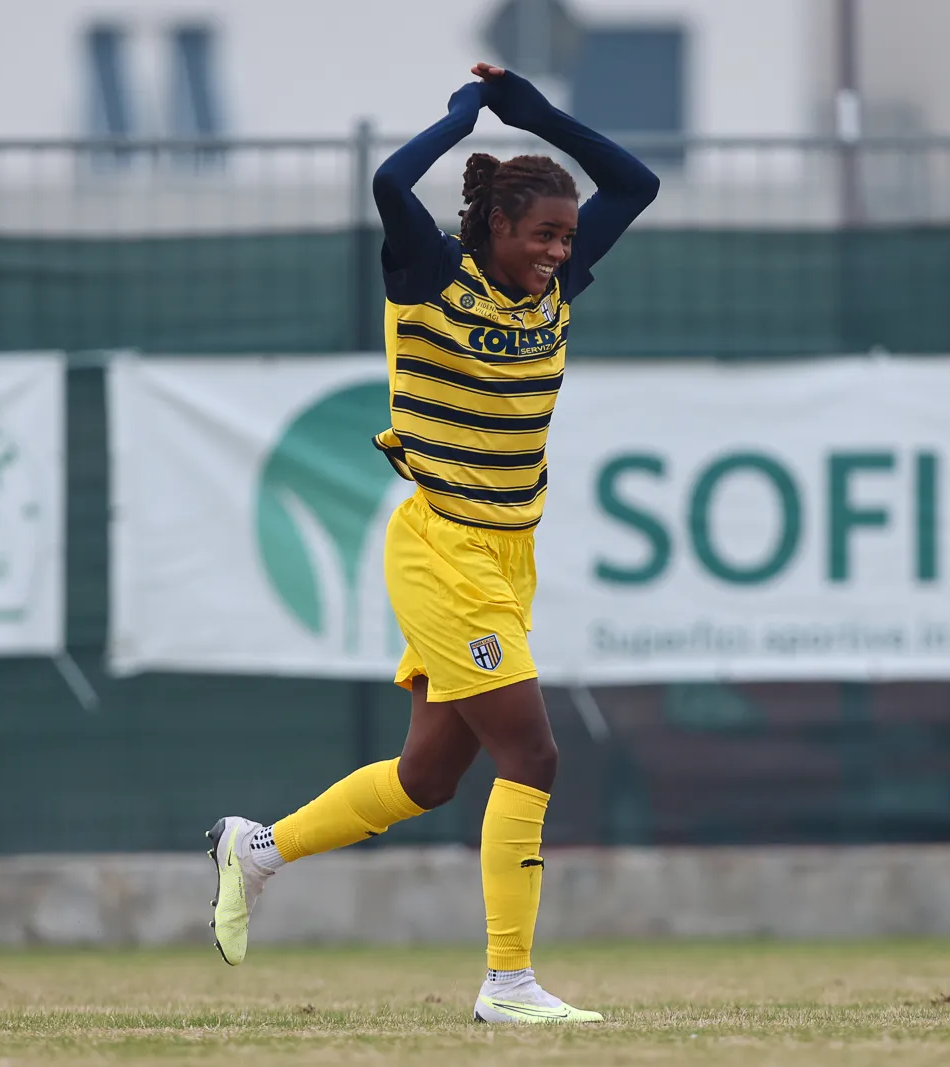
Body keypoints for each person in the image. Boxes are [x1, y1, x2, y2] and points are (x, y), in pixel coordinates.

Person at [205, 62, 659, 1022]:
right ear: (494, 226)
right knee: (533, 755)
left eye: (566, 237)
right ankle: (509, 983)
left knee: (429, 777)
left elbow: (637, 183)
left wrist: (537, 114)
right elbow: (387, 182)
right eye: (542, 234)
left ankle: (257, 849)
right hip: (444, 548)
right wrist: (467, 114)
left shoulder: (552, 289)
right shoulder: (431, 275)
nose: (559, 251)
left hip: (509, 552)